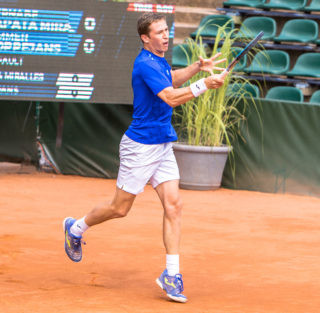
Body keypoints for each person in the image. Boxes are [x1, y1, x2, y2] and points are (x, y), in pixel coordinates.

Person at [62, 12, 227, 303]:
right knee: (119, 208)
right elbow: (171, 96)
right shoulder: (144, 63)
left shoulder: (159, 61)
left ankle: (171, 274)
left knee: (174, 205)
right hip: (139, 148)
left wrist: (197, 68)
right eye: (159, 32)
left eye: (166, 30)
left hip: (163, 144)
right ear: (145, 37)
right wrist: (204, 85)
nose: (166, 35)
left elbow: (171, 78)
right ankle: (75, 227)